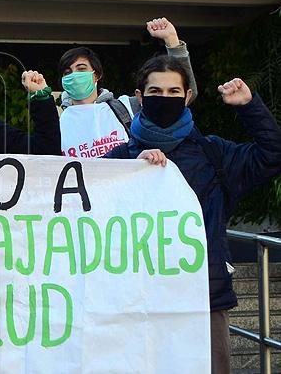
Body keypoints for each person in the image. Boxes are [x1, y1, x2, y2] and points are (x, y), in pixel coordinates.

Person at [105, 56, 281, 374]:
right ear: (139, 97)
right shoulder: (117, 160)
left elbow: (272, 155)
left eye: (174, 91)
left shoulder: (215, 154)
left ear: (187, 96)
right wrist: (129, 168)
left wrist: (249, 106)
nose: (165, 97)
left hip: (205, 299)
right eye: (156, 91)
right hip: (135, 300)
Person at [58, 17, 197, 158]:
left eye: (81, 69)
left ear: (96, 75)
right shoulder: (57, 125)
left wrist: (172, 41)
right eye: (67, 73)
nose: (74, 76)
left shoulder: (127, 107)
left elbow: (178, 98)